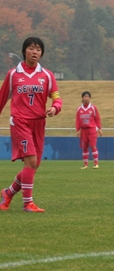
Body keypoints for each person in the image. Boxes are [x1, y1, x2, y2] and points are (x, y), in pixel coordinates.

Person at [0, 37, 63, 213]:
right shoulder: (13, 74)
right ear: (24, 51)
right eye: (31, 48)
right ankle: (28, 203)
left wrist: (55, 108)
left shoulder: (47, 75)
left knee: (33, 165)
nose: (35, 52)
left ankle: (7, 193)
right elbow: (2, 98)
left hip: (39, 123)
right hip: (20, 122)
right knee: (31, 160)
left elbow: (57, 98)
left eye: (38, 49)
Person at [76, 91, 102, 169]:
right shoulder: (79, 109)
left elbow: (97, 118)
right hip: (83, 130)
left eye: (88, 97)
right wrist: (78, 130)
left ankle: (96, 163)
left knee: (93, 146)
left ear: (90, 98)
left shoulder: (93, 108)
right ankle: (85, 164)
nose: (86, 98)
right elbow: (78, 120)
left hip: (92, 129)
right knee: (84, 147)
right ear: (82, 98)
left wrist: (100, 128)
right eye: (85, 97)